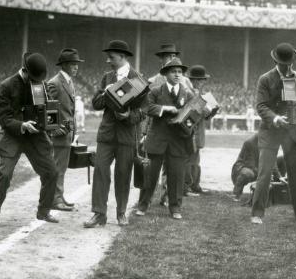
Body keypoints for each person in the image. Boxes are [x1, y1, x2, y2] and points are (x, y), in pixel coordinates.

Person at [0, 53, 59, 228]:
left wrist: (50, 106)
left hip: (34, 136)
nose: (36, 81)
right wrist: (22, 125)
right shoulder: (7, 85)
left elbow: (45, 115)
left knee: (51, 172)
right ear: (25, 71)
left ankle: (44, 211)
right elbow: (3, 117)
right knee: (5, 175)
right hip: (13, 135)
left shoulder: (40, 85)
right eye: (33, 78)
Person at [84, 40, 146, 228]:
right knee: (101, 171)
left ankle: (121, 213)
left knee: (123, 174)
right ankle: (99, 214)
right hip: (107, 134)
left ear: (122, 56)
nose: (108, 60)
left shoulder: (138, 79)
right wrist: (105, 94)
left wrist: (129, 115)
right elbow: (95, 104)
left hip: (127, 135)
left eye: (111, 57)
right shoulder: (107, 77)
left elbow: (145, 110)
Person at [250, 43, 296, 225]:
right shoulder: (265, 79)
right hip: (271, 130)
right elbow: (261, 106)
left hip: (292, 131)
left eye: (290, 64)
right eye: (285, 64)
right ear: (276, 62)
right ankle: (257, 213)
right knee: (265, 173)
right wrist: (276, 118)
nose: (288, 67)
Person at [136, 58, 195, 220]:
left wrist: (190, 119)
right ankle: (143, 204)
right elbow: (147, 108)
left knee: (176, 176)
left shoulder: (188, 93)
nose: (177, 75)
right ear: (166, 74)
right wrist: (165, 108)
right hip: (157, 139)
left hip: (178, 141)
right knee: (150, 176)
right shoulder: (156, 91)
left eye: (179, 72)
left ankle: (175, 208)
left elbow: (193, 115)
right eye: (173, 72)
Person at [47, 48, 84, 211]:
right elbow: (48, 108)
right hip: (59, 134)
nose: (76, 67)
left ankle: (58, 196)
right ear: (65, 65)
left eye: (77, 64)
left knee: (61, 167)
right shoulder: (55, 83)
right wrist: (54, 129)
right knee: (57, 167)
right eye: (73, 64)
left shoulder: (68, 81)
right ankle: (55, 199)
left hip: (67, 133)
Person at [184, 65, 218, 195]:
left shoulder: (199, 94)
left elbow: (206, 116)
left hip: (197, 132)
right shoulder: (190, 93)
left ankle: (194, 185)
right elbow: (196, 113)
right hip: (191, 132)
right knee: (190, 160)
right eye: (202, 80)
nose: (204, 82)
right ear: (196, 80)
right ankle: (187, 187)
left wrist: (212, 110)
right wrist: (207, 108)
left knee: (195, 160)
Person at [231, 134, 286, 202]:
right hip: (244, 168)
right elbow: (251, 164)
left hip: (259, 166)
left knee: (284, 159)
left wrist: (279, 176)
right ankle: (236, 193)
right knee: (248, 173)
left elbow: (272, 160)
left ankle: (276, 189)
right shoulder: (249, 143)